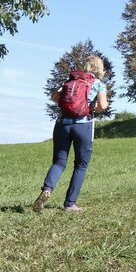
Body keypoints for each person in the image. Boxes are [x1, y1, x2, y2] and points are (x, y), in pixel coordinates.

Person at [33, 55, 108, 212]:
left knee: (59, 163)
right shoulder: (98, 84)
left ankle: (47, 189)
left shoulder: (70, 81)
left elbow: (55, 96)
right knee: (80, 165)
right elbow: (102, 105)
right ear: (99, 69)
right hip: (83, 126)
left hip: (62, 125)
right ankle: (70, 204)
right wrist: (91, 109)